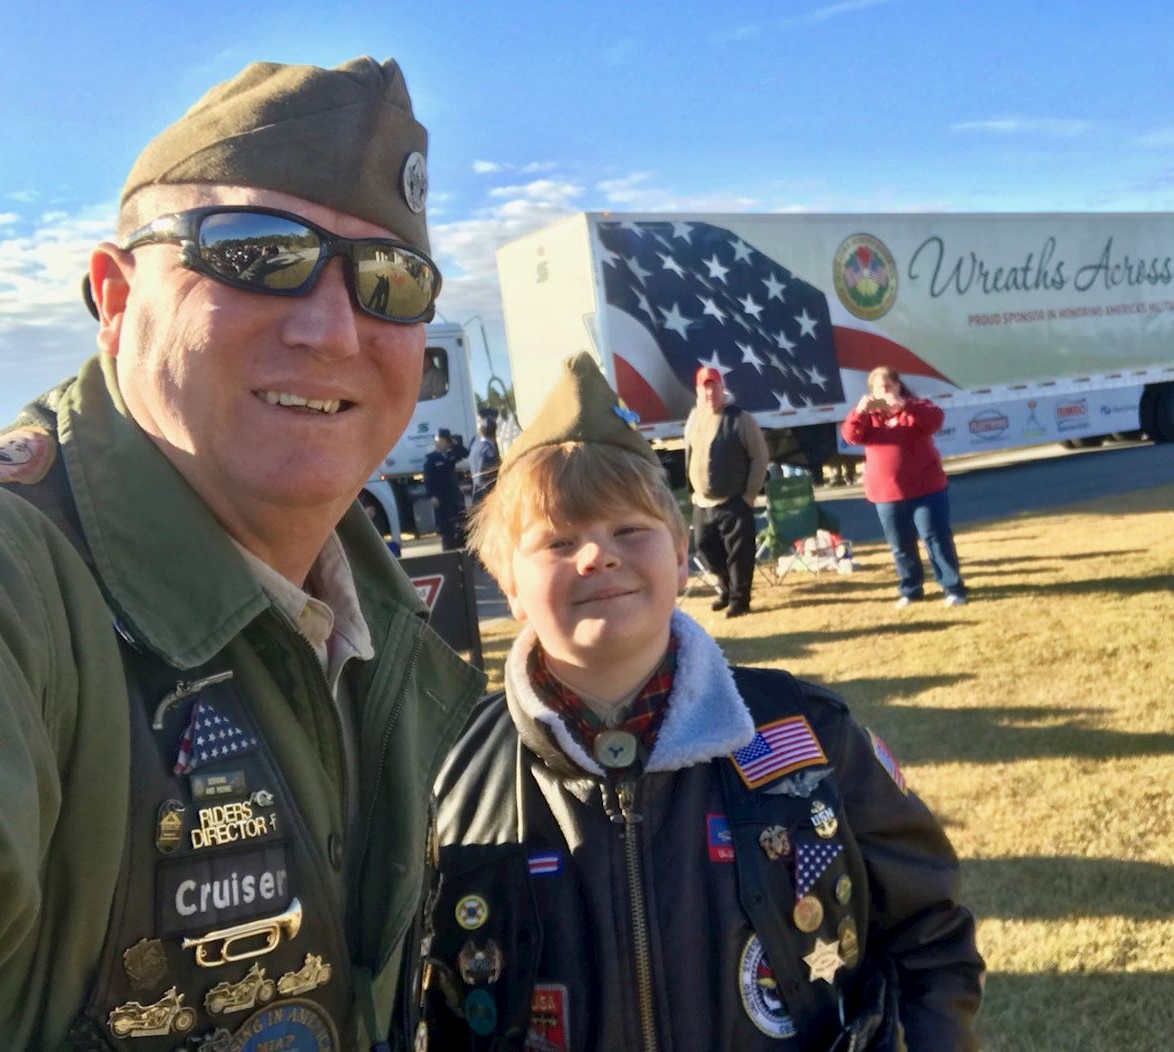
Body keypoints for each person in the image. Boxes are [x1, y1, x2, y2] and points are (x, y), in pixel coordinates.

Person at [0, 58, 486, 1049]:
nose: (331, 328)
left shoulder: (384, 632)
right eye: (259, 253)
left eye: (389, 280)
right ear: (115, 294)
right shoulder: (22, 585)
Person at [414, 353, 983, 1050]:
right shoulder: (443, 773)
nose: (597, 557)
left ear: (683, 557)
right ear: (506, 584)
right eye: (559, 541)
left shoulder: (811, 734)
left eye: (630, 530)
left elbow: (928, 934)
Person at [843, 367, 969, 608]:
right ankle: (911, 589)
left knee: (936, 538)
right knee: (900, 544)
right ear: (872, 392)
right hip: (886, 494)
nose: (885, 392)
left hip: (927, 489)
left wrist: (904, 406)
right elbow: (851, 436)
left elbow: (936, 420)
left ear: (899, 386)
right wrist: (858, 412)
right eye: (880, 388)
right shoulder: (869, 417)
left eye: (889, 386)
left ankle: (953, 587)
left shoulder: (916, 406)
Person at [684, 366, 770, 617]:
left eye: (714, 387)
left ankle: (740, 601)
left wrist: (750, 495)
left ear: (723, 388)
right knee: (704, 548)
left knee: (739, 555)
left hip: (734, 500)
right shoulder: (694, 418)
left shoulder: (740, 419)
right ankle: (726, 589)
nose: (710, 393)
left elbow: (760, 456)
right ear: (698, 392)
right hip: (703, 503)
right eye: (705, 388)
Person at [425, 426, 466, 549]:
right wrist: (431, 496)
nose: (438, 443)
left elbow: (465, 452)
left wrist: (453, 443)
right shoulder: (431, 459)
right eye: (437, 441)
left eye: (441, 441)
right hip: (440, 498)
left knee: (460, 526)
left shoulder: (451, 455)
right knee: (446, 530)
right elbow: (428, 479)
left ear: (447, 442)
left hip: (453, 496)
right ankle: (449, 554)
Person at [468, 413, 501, 503]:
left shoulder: (475, 447)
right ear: (495, 432)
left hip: (477, 494)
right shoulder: (488, 451)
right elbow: (490, 478)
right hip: (487, 497)